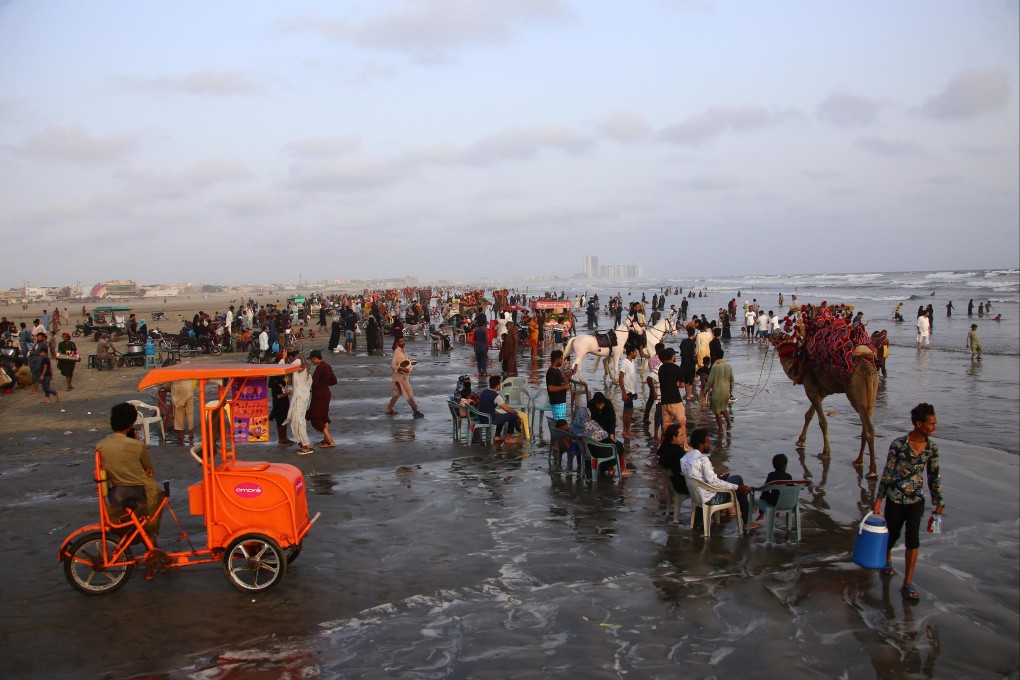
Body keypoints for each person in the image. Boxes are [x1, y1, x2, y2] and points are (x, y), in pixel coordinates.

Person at [872, 403, 944, 603]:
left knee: (913, 539)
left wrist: (939, 502)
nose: (934, 427)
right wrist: (879, 499)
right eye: (931, 424)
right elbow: (887, 473)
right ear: (919, 424)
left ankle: (908, 583)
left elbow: (934, 476)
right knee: (892, 534)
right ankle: (887, 560)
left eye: (935, 423)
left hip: (916, 501)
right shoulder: (898, 445)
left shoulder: (932, 448)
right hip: (895, 499)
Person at [97, 402, 165, 545]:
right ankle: (151, 543)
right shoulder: (137, 445)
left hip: (118, 493)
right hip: (144, 493)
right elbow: (149, 470)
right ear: (131, 424)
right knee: (157, 500)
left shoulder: (101, 446)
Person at [680, 428, 756, 531]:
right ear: (701, 445)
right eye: (708, 443)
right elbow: (714, 483)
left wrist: (717, 476)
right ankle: (747, 521)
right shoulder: (703, 459)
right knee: (738, 480)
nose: (709, 445)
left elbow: (698, 476)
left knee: (733, 479)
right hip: (711, 498)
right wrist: (738, 488)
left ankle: (745, 511)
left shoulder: (685, 458)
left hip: (696, 495)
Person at [281, 350, 314, 454]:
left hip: (300, 396)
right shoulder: (304, 364)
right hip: (303, 396)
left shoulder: (298, 361)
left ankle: (306, 445)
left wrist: (283, 358)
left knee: (298, 420)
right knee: (298, 420)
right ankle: (303, 442)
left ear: (292, 357)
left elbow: (281, 368)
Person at [386, 336, 424, 418]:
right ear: (397, 343)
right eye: (401, 341)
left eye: (403, 341)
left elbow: (403, 362)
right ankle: (415, 410)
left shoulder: (402, 350)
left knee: (396, 394)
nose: (403, 342)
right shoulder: (397, 352)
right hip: (400, 377)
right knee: (409, 394)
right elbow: (393, 364)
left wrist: (410, 362)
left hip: (401, 376)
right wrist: (400, 368)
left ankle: (389, 409)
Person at [478, 375, 521, 443]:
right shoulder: (496, 396)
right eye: (500, 383)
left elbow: (485, 406)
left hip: (481, 417)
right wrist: (515, 412)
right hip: (489, 419)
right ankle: (508, 438)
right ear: (498, 386)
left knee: (501, 415)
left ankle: (497, 437)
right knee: (512, 415)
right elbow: (507, 409)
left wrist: (495, 412)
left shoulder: (484, 391)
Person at [657, 348, 687, 446]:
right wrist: (675, 385)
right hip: (675, 400)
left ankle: (665, 444)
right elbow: (682, 385)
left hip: (664, 400)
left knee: (666, 424)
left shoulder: (661, 368)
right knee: (681, 422)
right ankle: (685, 444)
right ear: (673, 356)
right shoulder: (676, 368)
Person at [308, 350, 337, 448]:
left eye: (312, 360)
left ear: (315, 358)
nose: (312, 362)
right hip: (326, 393)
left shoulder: (320, 367)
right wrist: (325, 383)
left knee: (316, 417)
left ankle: (330, 440)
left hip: (319, 395)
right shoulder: (327, 366)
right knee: (324, 416)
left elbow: (314, 382)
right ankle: (325, 440)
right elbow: (334, 381)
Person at [755, 453, 793, 520]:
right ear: (785, 466)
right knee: (783, 494)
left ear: (773, 466)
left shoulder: (771, 475)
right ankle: (779, 513)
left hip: (773, 502)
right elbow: (791, 489)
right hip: (786, 502)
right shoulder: (789, 476)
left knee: (764, 495)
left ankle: (761, 514)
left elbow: (766, 488)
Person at [705, 349, 733, 434]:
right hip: (726, 390)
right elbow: (732, 379)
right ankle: (729, 424)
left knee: (717, 411)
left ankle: (720, 429)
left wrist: (706, 389)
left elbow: (710, 380)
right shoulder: (728, 365)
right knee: (724, 408)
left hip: (717, 391)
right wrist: (731, 390)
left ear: (716, 356)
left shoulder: (715, 366)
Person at [656, 423, 688, 494]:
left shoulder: (665, 445)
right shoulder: (678, 452)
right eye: (681, 435)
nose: (684, 437)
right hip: (681, 486)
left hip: (673, 482)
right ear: (674, 438)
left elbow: (659, 454)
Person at [618, 345, 639, 439]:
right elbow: (621, 378)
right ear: (631, 352)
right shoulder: (624, 362)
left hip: (632, 390)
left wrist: (635, 392)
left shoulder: (632, 362)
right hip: (627, 390)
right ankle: (627, 431)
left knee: (628, 411)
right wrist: (624, 393)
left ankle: (625, 430)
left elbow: (633, 378)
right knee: (628, 411)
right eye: (635, 352)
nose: (637, 354)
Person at [545, 349, 572, 421]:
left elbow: (561, 381)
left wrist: (569, 375)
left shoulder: (557, 370)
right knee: (559, 422)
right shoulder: (551, 372)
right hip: (557, 401)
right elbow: (551, 388)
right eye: (561, 359)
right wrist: (564, 387)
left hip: (561, 401)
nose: (562, 361)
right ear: (556, 360)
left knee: (562, 421)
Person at [269, 374, 294, 447]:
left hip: (284, 399)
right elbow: (270, 384)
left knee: (285, 418)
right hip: (278, 400)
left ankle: (285, 438)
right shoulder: (274, 375)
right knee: (280, 419)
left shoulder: (284, 373)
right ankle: (281, 440)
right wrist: (280, 384)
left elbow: (288, 384)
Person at [170, 378, 195, 446]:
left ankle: (181, 434)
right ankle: (191, 432)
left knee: (179, 414)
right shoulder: (186, 369)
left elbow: (168, 385)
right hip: (189, 390)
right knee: (190, 413)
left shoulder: (172, 372)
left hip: (179, 392)